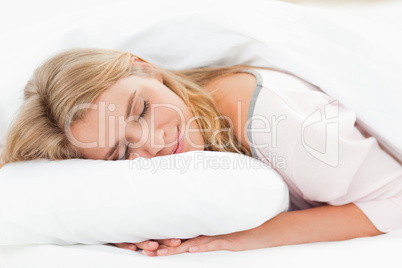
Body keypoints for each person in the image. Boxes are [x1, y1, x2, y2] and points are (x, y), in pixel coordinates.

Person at [0, 48, 401, 257]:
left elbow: (395, 200)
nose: (151, 142)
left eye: (140, 109)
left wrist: (246, 238)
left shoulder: (274, 118)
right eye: (120, 153)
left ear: (145, 68)